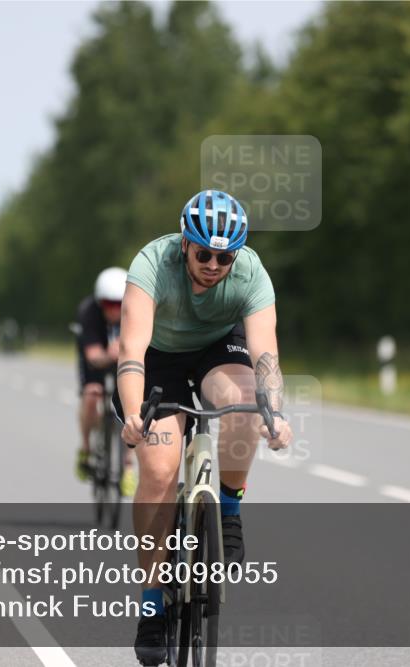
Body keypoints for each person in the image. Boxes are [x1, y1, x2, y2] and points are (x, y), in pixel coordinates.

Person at [114, 190, 293, 665]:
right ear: (184, 246)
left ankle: (229, 506)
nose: (214, 264)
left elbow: (265, 354)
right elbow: (131, 350)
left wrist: (275, 412)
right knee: (158, 469)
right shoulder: (152, 264)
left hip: (218, 349)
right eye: (204, 254)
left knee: (244, 405)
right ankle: (152, 600)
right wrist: (134, 415)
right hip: (157, 357)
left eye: (225, 257)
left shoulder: (251, 272)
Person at [76, 267, 137, 496]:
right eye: (108, 304)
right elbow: (92, 356)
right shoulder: (88, 312)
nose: (114, 309)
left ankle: (128, 464)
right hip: (97, 360)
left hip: (124, 360)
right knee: (91, 393)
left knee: (132, 405)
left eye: (118, 304)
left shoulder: (134, 310)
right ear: (100, 303)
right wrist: (109, 354)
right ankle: (86, 447)